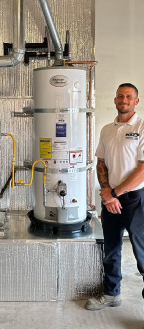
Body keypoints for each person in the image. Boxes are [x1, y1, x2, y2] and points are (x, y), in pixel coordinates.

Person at [85, 83, 144, 311]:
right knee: (111, 249)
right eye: (120, 95)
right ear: (115, 99)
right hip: (111, 200)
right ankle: (111, 294)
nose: (124, 99)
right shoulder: (107, 130)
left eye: (129, 96)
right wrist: (107, 194)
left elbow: (142, 170)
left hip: (135, 200)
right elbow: (101, 162)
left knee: (141, 253)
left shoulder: (141, 127)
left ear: (136, 101)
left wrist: (115, 193)